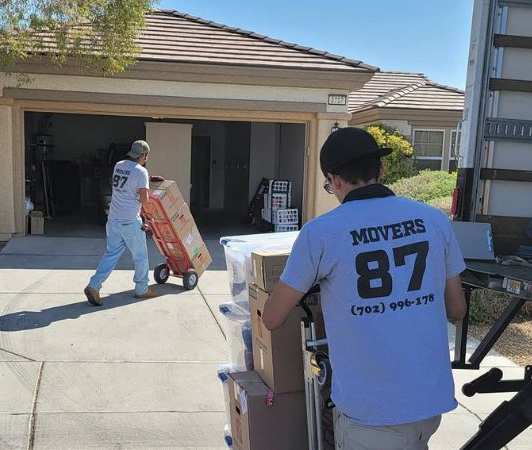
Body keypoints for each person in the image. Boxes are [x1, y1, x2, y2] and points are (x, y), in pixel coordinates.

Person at [263, 127, 467, 450]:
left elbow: (272, 317)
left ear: (334, 179)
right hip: (429, 404)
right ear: (381, 170)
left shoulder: (322, 234)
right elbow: (457, 309)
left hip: (370, 414)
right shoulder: (434, 220)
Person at [84, 140, 157, 306]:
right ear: (143, 155)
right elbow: (144, 199)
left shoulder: (119, 165)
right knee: (140, 256)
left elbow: (127, 182)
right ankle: (142, 289)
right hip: (130, 220)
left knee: (111, 254)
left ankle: (93, 285)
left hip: (113, 220)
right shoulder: (141, 172)